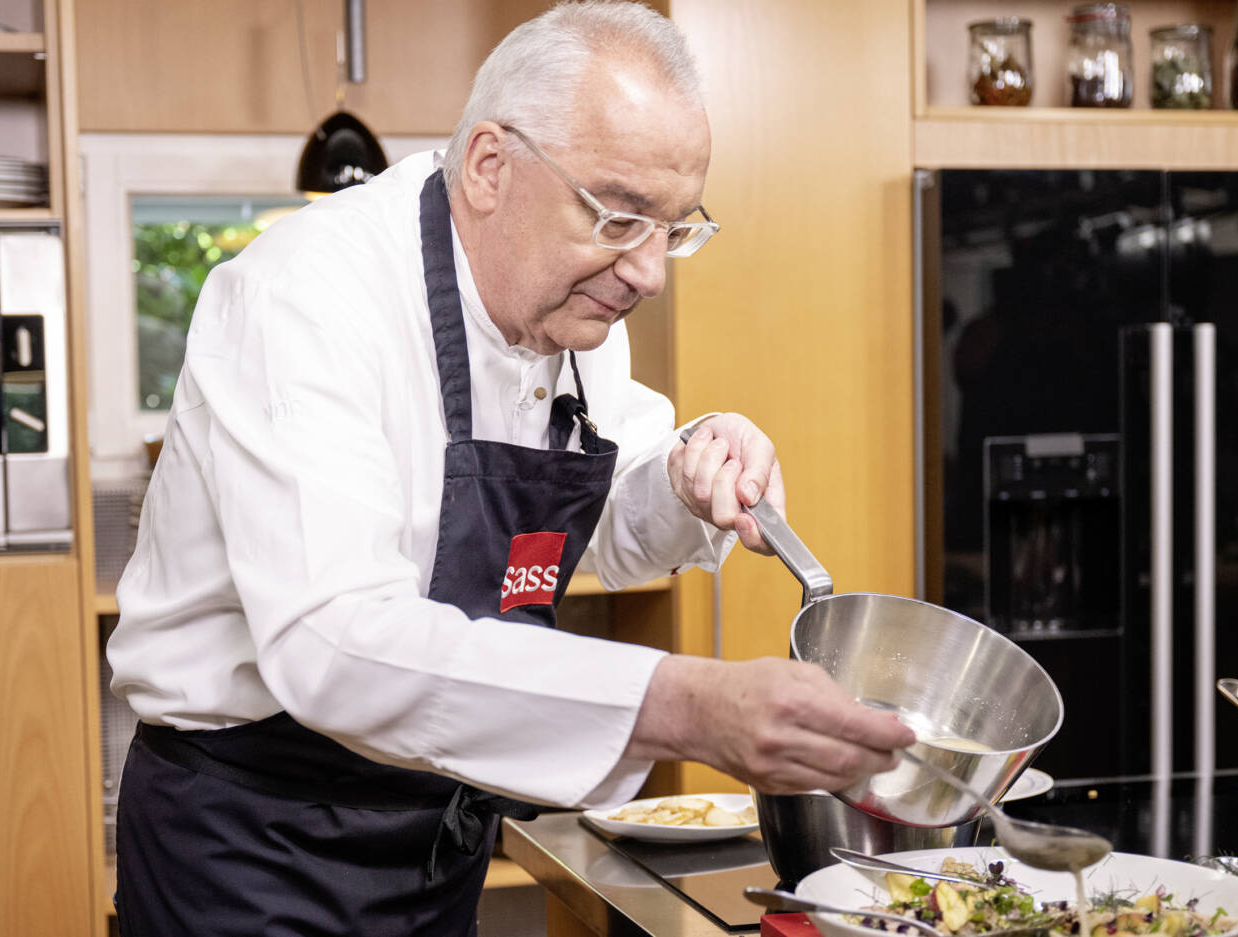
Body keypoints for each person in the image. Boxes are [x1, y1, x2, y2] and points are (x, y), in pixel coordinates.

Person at [107, 3, 915, 934]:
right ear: (490, 165)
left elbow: (609, 523)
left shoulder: (567, 306)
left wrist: (689, 473)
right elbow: (332, 643)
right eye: (618, 216)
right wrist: (680, 705)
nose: (648, 271)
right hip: (254, 850)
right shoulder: (306, 298)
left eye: (674, 226)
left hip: (437, 839)